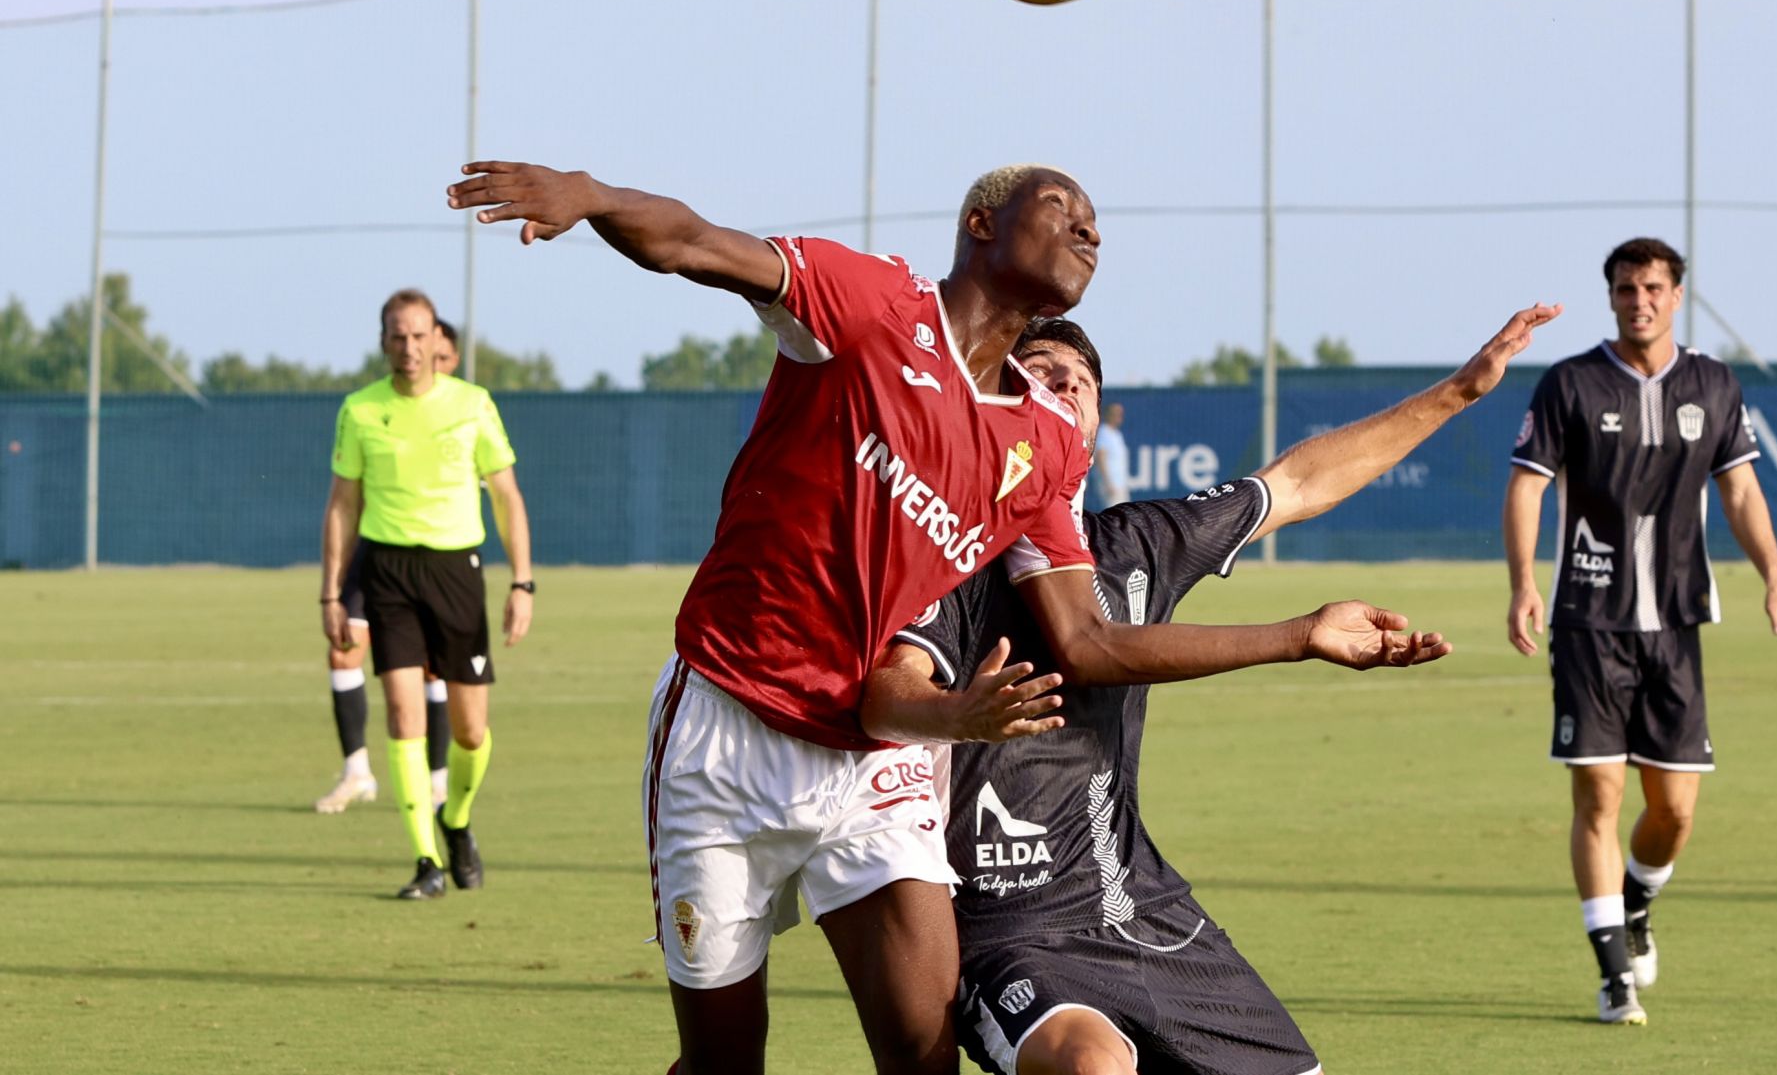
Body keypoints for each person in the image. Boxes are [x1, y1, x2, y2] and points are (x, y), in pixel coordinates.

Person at [444, 159, 1449, 1075]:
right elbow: (696, 243)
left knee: (923, 1059)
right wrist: (592, 196)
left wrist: (1298, 634)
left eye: (1097, 224)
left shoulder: (1044, 443)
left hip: (871, 759)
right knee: (723, 1066)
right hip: (727, 729)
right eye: (1062, 210)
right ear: (981, 223)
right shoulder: (875, 302)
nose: (1088, 232)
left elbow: (1088, 641)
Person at [863, 304, 1555, 1075]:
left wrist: (1459, 391)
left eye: (1081, 381)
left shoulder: (1137, 545)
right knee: (1090, 1068)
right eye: (1043, 372)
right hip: (1017, 928)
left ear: (1091, 428)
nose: (1063, 386)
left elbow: (1296, 482)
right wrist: (959, 714)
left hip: (1151, 914)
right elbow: (888, 688)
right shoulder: (951, 552)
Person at [1503, 236, 1777, 1026]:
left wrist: (1775, 575)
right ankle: (1614, 976)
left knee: (1672, 811)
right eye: (1625, 288)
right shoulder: (1571, 382)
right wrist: (1523, 583)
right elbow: (1527, 486)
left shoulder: (1713, 382)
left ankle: (1637, 899)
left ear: (1677, 295)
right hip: (1587, 621)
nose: (1638, 300)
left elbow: (1740, 489)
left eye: (1652, 288)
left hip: (1676, 624)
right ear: (1610, 296)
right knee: (1599, 792)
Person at [320, 290, 535, 899]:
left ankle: (457, 822)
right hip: (387, 574)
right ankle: (424, 860)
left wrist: (522, 581)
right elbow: (341, 504)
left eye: (419, 336)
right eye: (397, 337)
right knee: (403, 716)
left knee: (470, 732)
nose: (409, 348)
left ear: (438, 339)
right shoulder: (360, 410)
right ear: (383, 341)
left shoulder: (473, 405)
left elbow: (507, 496)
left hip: (456, 574)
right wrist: (332, 592)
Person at [313, 317, 461, 814]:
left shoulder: (462, 410)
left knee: (431, 671)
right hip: (374, 553)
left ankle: (437, 780)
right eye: (406, 342)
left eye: (433, 350)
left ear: (450, 357)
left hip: (436, 562)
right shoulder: (372, 407)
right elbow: (344, 496)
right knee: (344, 653)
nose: (417, 356)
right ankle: (357, 771)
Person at [1093, 402, 1130, 507]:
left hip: (1120, 484)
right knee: (1114, 518)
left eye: (1120, 414)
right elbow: (1100, 458)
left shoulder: (1117, 434)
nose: (1119, 417)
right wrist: (1108, 483)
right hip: (1111, 484)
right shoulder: (1104, 433)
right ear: (1108, 414)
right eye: (1115, 414)